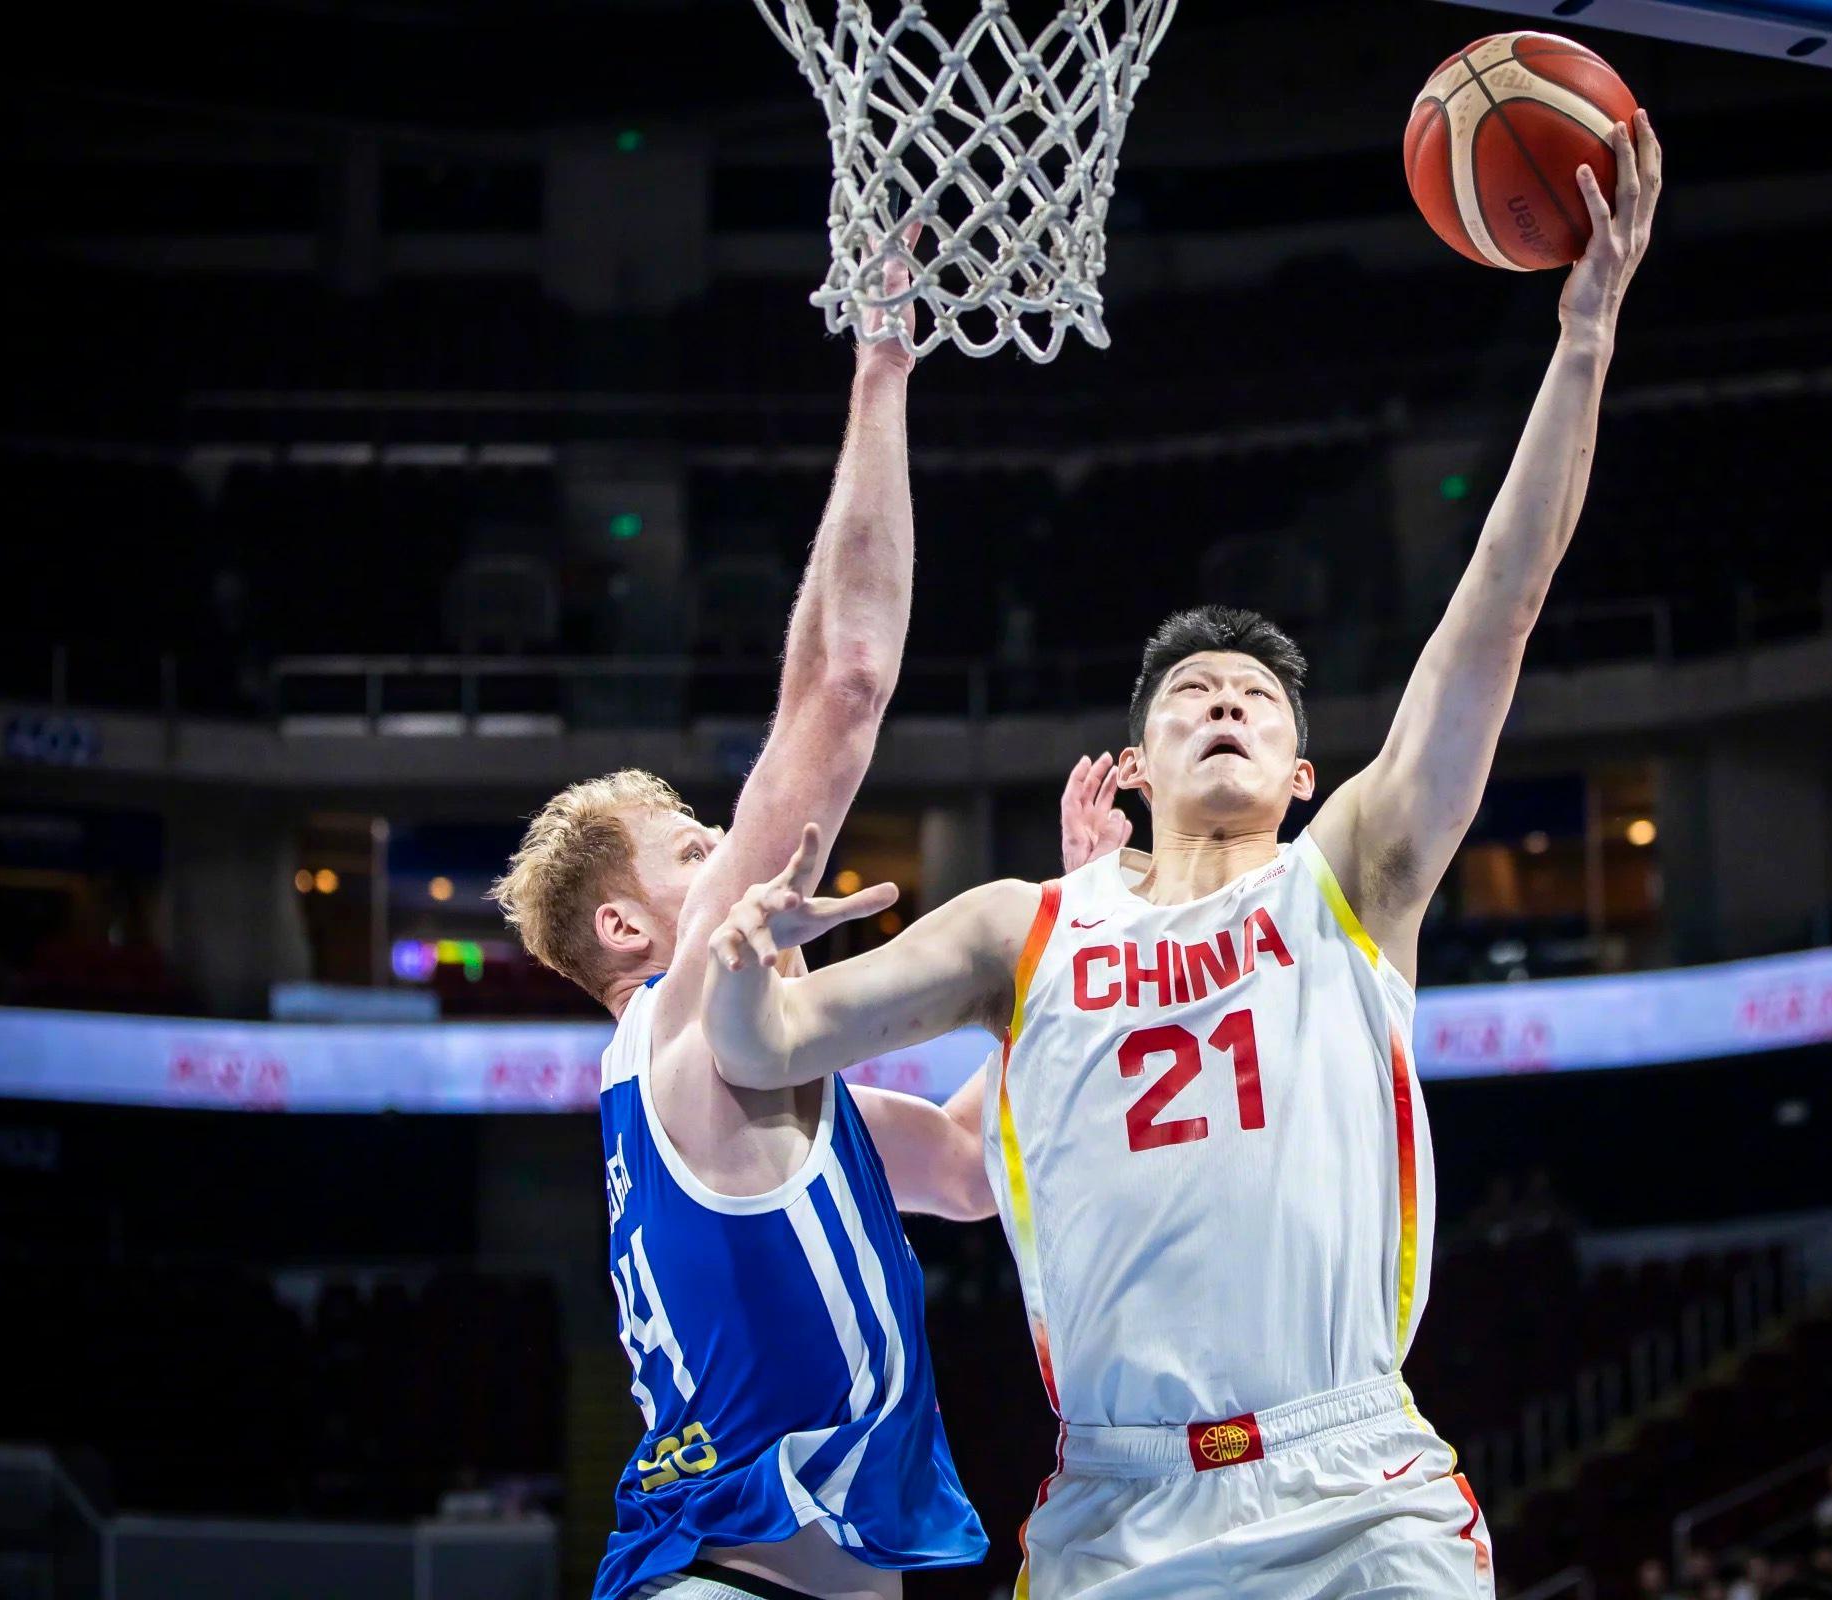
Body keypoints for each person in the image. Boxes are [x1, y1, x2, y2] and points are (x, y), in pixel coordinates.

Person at [683, 113, 1662, 1598]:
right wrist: (749, 965)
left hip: (1352, 1488)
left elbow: (1501, 601)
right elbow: (767, 1049)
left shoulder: (1351, 878)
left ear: (1303, 776)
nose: (1223, 702)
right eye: (1192, 693)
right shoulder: (1022, 926)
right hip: (1116, 1509)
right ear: (1134, 765)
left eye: (1256, 699)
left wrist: (1583, 337)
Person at [491, 266, 1000, 1600]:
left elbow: (964, 1170)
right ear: (624, 923)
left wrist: (1050, 963)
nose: (730, 855)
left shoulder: (735, 1088)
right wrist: (882, 376)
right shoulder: (684, 1034)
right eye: (693, 851)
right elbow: (843, 686)